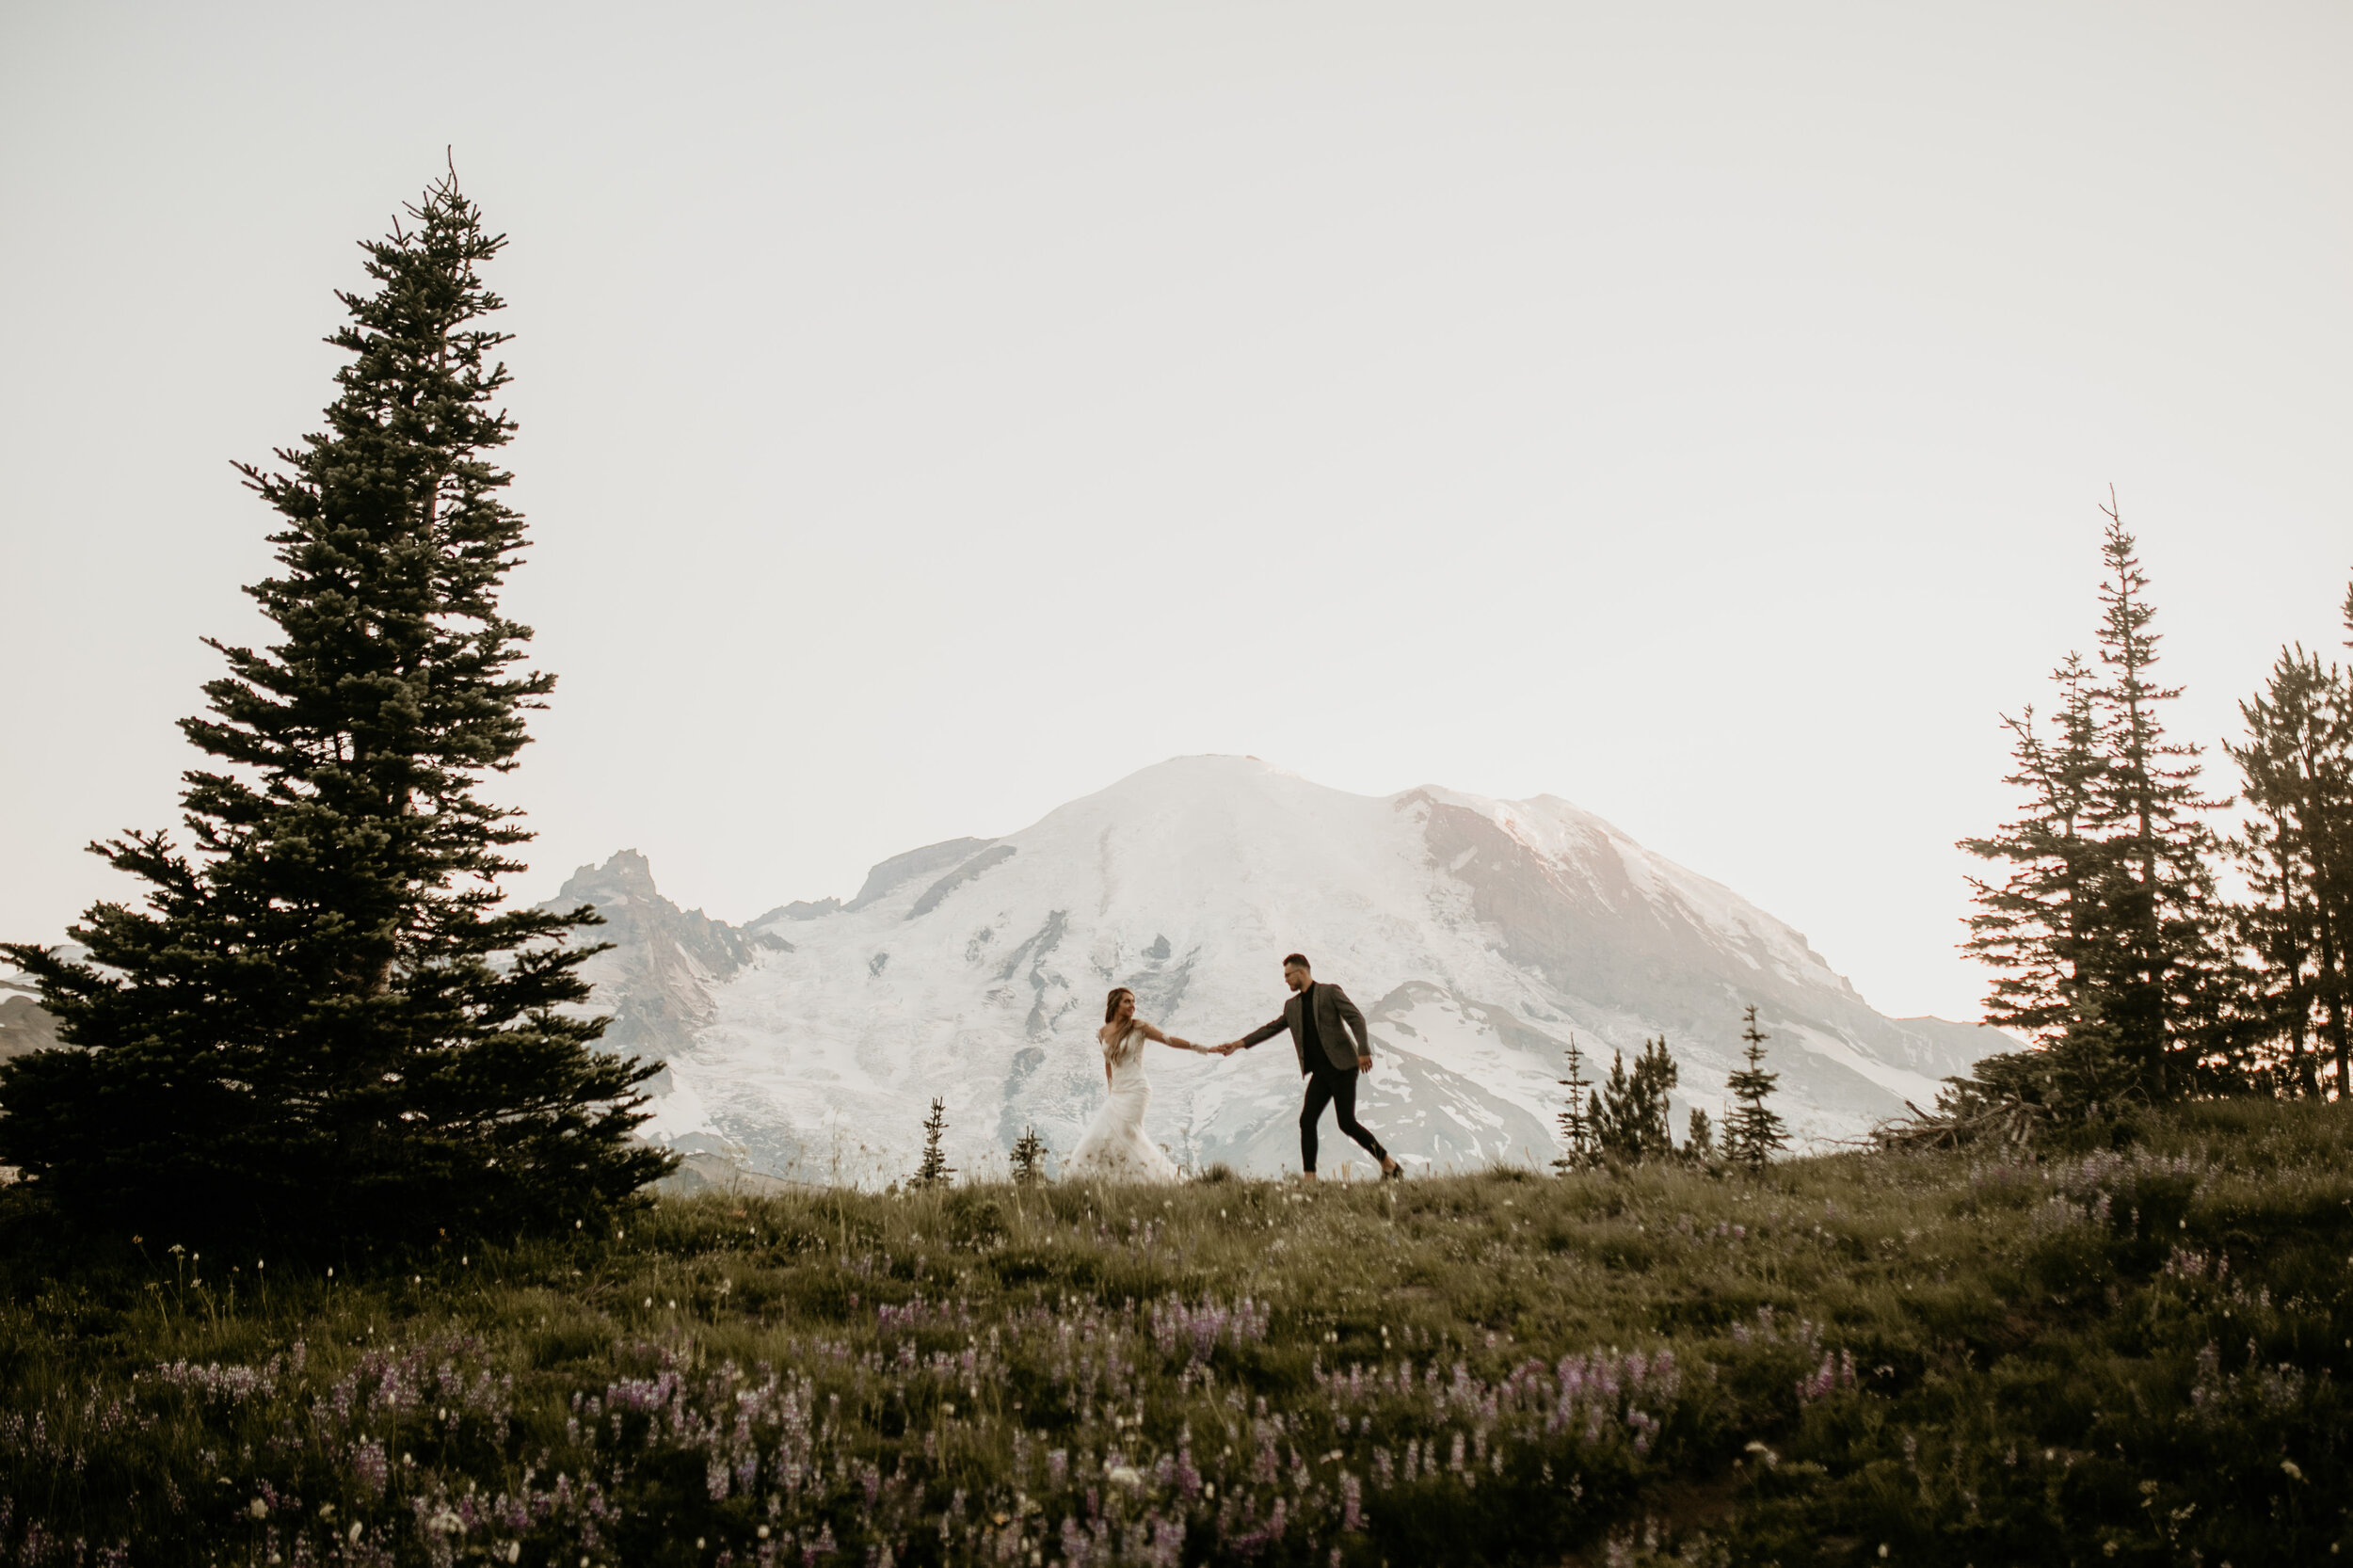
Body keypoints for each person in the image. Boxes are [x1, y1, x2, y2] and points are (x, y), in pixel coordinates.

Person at [1216, 953, 1401, 1182]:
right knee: (1307, 1120)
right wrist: (1238, 1044)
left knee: (1346, 1123)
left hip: (1343, 1067)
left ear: (1301, 972)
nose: (1285, 980)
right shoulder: (1292, 1006)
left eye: (1288, 975)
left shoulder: (1329, 992)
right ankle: (1310, 1180)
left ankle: (1389, 1165)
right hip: (1321, 1073)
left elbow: (1356, 1019)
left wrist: (1363, 1050)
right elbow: (1271, 1028)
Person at [1064, 986, 1207, 1182]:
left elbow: (1169, 1040)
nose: (1133, 1006)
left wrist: (1203, 1048)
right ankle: (1116, 1183)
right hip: (1117, 1094)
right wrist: (1111, 1089)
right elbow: (1108, 1063)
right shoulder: (1102, 1033)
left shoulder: (1139, 1027)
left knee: (1129, 1136)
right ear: (1115, 1005)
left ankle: (1173, 1181)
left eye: (1134, 1002)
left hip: (1137, 1090)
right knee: (1094, 1140)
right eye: (1127, 1001)